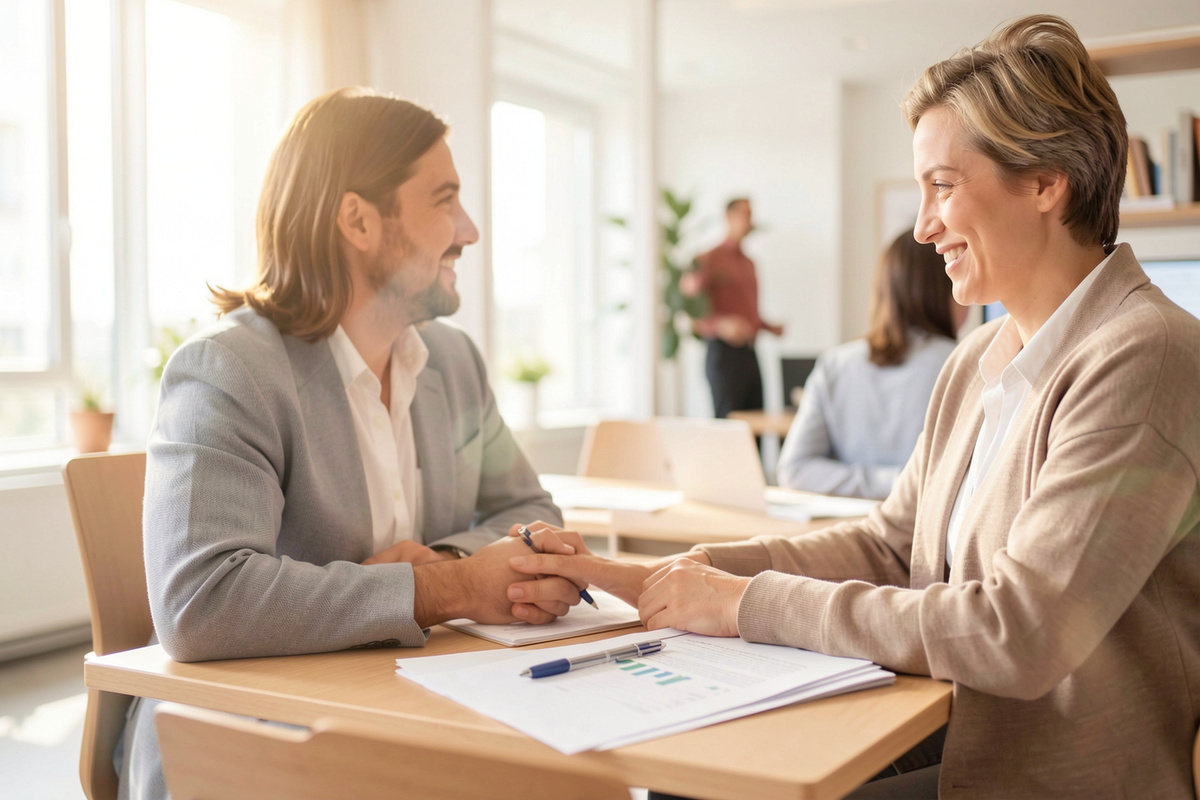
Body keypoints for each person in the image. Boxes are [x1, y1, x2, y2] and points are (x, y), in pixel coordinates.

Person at [510, 15, 1200, 799]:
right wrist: (667, 575)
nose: (922, 225)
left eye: (943, 185)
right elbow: (890, 546)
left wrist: (745, 603)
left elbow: (1023, 632)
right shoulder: (982, 356)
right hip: (947, 733)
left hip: (1043, 776)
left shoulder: (1148, 355)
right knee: (688, 778)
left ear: (1045, 182)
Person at [118, 87, 585, 800]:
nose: (469, 229)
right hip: (252, 739)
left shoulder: (453, 363)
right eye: (444, 199)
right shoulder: (229, 370)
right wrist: (444, 588)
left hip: (411, 703)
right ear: (358, 220)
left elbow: (529, 509)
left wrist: (449, 561)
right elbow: (201, 600)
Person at [776, 231, 965, 499]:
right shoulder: (964, 364)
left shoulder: (834, 365)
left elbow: (794, 470)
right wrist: (898, 481)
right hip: (921, 532)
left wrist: (870, 482)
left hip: (843, 531)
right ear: (944, 290)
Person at [682, 198, 785, 418]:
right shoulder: (708, 259)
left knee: (755, 425)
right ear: (729, 217)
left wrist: (768, 326)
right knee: (729, 432)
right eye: (745, 214)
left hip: (749, 353)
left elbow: (750, 314)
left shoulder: (750, 263)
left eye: (751, 215)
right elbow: (689, 308)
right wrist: (720, 325)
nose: (750, 221)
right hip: (723, 355)